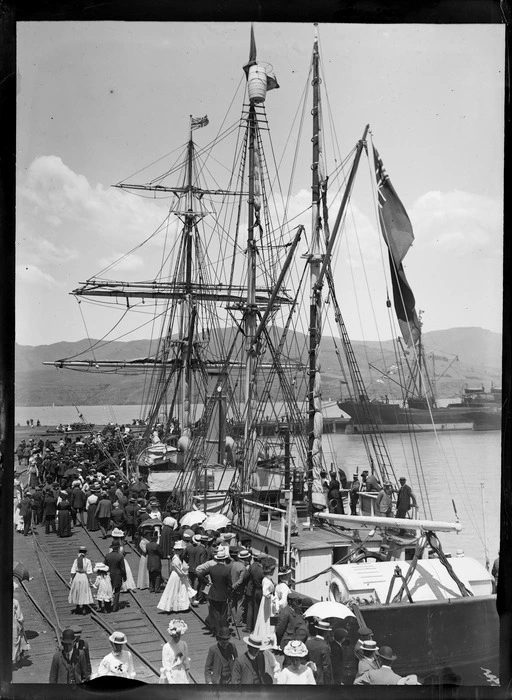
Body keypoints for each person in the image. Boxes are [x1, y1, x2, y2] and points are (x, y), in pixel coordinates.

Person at [196, 550, 232, 636]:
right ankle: (223, 631)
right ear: (224, 559)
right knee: (223, 614)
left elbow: (200, 574)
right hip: (223, 594)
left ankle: (216, 631)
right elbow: (229, 584)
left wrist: (207, 582)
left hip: (213, 593)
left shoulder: (212, 568)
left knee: (215, 613)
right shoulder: (227, 570)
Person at [158, 540, 197, 613]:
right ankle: (173, 606)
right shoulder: (176, 558)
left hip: (177, 576)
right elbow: (177, 569)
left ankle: (178, 606)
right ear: (178, 551)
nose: (182, 552)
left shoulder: (177, 557)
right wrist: (184, 574)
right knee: (174, 590)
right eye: (181, 550)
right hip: (176, 576)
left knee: (178, 590)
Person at [253, 556, 277, 646]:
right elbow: (265, 593)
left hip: (268, 603)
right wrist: (273, 596)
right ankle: (268, 637)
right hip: (268, 603)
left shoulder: (267, 579)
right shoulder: (266, 581)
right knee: (269, 619)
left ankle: (271, 636)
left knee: (270, 619)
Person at [159, 619, 191, 684]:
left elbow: (185, 659)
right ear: (171, 635)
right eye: (175, 637)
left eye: (178, 636)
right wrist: (170, 679)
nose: (177, 638)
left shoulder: (183, 644)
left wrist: (187, 670)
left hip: (181, 673)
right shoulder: (167, 647)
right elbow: (166, 664)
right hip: (171, 674)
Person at [305, 619, 333, 684]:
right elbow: (326, 667)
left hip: (308, 675)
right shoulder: (324, 647)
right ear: (326, 633)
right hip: (320, 678)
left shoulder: (307, 643)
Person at [68, 546, 94, 615]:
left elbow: (73, 571)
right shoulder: (87, 561)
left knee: (77, 591)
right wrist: (90, 581)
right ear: (85, 553)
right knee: (84, 592)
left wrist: (71, 580)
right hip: (84, 577)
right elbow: (89, 572)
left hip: (77, 577)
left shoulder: (76, 560)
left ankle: (78, 607)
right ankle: (84, 608)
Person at [103, 542, 126, 612]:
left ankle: (108, 606)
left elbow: (104, 566)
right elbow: (122, 568)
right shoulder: (120, 556)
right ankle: (115, 607)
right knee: (117, 591)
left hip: (109, 575)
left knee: (108, 590)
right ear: (118, 548)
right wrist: (124, 576)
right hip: (117, 575)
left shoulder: (107, 556)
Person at [244, 553, 264, 633]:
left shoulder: (252, 566)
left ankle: (248, 627)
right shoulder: (262, 570)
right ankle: (256, 628)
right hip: (260, 590)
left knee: (250, 608)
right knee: (257, 609)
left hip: (251, 589)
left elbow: (245, 576)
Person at [13, 594, 30, 666]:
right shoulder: (15, 602)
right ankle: (14, 659)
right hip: (14, 624)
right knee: (15, 642)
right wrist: (22, 623)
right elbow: (20, 617)